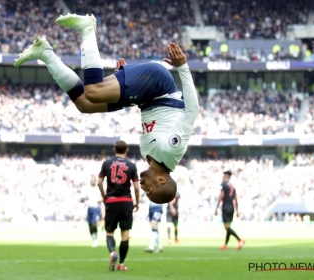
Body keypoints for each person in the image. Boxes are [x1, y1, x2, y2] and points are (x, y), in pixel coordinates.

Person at [14, 13, 200, 204]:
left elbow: (157, 116)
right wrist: (183, 67)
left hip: (145, 97)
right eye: (149, 190)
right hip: (157, 85)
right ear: (162, 180)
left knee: (85, 104)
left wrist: (127, 85)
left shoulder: (149, 157)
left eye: (144, 192)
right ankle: (87, 28)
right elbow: (192, 109)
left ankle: (45, 53)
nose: (143, 188)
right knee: (95, 91)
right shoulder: (171, 151)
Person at [97, 140, 140, 271]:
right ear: (127, 150)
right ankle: (121, 264)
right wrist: (137, 202)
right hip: (126, 201)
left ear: (114, 149)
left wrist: (104, 196)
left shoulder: (107, 163)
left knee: (109, 232)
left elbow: (99, 182)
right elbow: (137, 187)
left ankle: (112, 253)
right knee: (125, 234)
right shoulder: (132, 165)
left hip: (111, 201)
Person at [214, 170, 245, 250]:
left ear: (225, 176)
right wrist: (237, 211)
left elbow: (221, 196)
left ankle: (239, 239)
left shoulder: (224, 185)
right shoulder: (232, 186)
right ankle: (225, 245)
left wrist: (216, 207)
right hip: (231, 208)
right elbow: (236, 198)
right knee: (228, 227)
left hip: (226, 207)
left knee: (227, 227)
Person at [80, 175, 102, 248]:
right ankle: (94, 238)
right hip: (89, 208)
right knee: (90, 224)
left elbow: (103, 197)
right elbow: (82, 199)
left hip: (96, 208)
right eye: (91, 180)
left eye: (94, 180)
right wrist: (85, 198)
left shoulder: (98, 188)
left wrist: (101, 200)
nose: (92, 181)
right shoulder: (87, 189)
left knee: (93, 223)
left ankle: (96, 239)